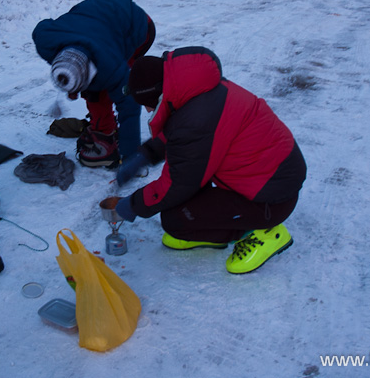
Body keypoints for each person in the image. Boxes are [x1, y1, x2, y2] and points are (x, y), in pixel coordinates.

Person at [112, 46, 307, 274]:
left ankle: (266, 231)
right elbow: (181, 134)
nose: (147, 110)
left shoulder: (196, 118)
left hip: (271, 198)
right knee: (178, 218)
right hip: (265, 178)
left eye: (147, 104)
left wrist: (134, 205)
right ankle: (214, 231)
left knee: (176, 218)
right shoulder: (197, 91)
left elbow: (178, 183)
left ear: (158, 95)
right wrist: (146, 155)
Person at [32, 0, 155, 168]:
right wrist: (72, 85)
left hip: (138, 25)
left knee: (100, 91)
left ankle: (107, 134)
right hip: (100, 16)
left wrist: (130, 157)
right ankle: (105, 127)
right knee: (94, 88)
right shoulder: (46, 40)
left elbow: (129, 107)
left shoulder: (110, 66)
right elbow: (41, 28)